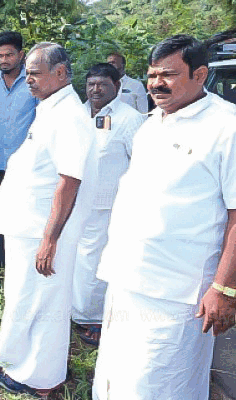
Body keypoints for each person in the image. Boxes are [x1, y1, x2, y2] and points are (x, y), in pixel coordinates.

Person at [92, 35, 236, 400]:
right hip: (127, 280)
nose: (156, 83)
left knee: (160, 385)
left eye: (168, 75)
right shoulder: (151, 122)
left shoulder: (226, 127)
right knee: (117, 380)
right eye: (152, 74)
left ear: (200, 74)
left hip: (177, 292)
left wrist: (225, 289)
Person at [0, 42, 97, 397]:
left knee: (43, 303)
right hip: (29, 227)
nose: (28, 79)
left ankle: (41, 379)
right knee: (27, 299)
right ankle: (26, 366)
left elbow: (69, 181)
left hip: (43, 232)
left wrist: (49, 239)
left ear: (60, 73)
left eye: (34, 73)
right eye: (28, 73)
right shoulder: (51, 108)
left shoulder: (68, 116)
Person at [71, 63, 145, 346]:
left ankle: (96, 320)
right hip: (76, 203)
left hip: (108, 206)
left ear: (118, 86)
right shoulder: (80, 114)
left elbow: (140, 166)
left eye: (102, 84)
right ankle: (77, 311)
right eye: (91, 84)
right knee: (77, 261)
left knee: (97, 264)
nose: (95, 89)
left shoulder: (129, 119)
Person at [0, 31, 38, 267]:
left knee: (19, 217)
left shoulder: (33, 84)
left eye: (9, 55)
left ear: (21, 55)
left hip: (23, 166)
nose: (4, 60)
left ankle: (15, 264)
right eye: (0, 55)